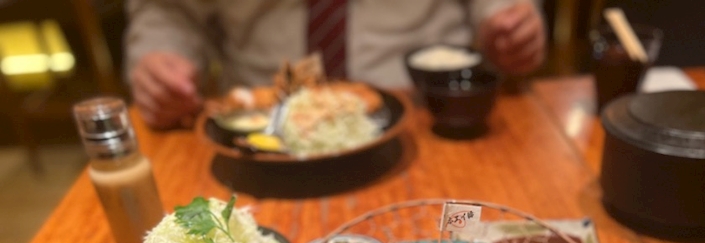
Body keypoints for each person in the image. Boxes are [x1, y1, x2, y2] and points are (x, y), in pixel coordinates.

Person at [125, 0, 547, 130]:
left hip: (427, 110)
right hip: (261, 121)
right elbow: (168, 11)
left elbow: (503, 8)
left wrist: (508, 20)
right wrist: (160, 56)